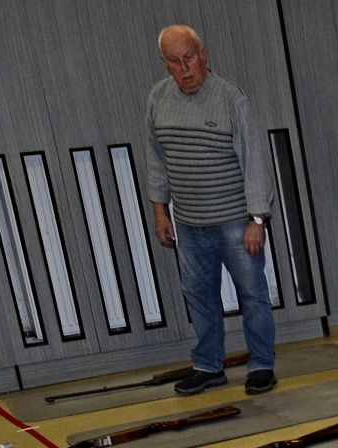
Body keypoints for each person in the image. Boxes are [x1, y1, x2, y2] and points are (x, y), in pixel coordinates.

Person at [146, 24, 277, 396]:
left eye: (189, 57)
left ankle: (262, 365)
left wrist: (257, 219)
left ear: (203, 53)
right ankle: (208, 366)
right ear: (165, 63)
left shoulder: (231, 98)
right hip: (189, 223)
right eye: (175, 61)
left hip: (235, 221)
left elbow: (255, 161)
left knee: (252, 294)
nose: (185, 68)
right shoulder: (157, 99)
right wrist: (160, 211)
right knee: (199, 296)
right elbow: (156, 159)